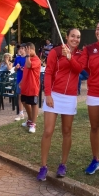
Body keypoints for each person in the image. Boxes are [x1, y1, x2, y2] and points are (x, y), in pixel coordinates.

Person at [67, 20, 99, 179]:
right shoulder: (89, 49)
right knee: (94, 128)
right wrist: (70, 57)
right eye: (97, 29)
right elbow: (79, 68)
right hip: (95, 93)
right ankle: (96, 160)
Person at [37, 28, 82, 181]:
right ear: (67, 37)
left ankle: (63, 164)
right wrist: (48, 93)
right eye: (73, 36)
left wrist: (70, 57)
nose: (75, 39)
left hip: (69, 97)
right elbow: (48, 72)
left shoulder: (80, 54)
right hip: (54, 95)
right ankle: (43, 166)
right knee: (48, 131)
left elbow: (78, 69)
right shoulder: (55, 52)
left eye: (78, 37)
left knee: (67, 131)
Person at [20, 42, 41, 133]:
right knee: (24, 102)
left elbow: (29, 65)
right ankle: (29, 119)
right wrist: (21, 81)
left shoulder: (36, 60)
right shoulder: (28, 59)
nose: (25, 51)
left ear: (31, 50)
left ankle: (33, 124)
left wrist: (27, 55)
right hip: (25, 86)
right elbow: (26, 71)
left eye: (26, 49)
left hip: (33, 87)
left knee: (33, 104)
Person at [13, 44, 26, 121]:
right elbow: (14, 69)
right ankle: (21, 113)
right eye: (20, 49)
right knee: (20, 96)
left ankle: (32, 112)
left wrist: (25, 69)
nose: (20, 50)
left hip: (27, 80)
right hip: (19, 79)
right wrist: (16, 68)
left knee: (28, 97)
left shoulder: (28, 58)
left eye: (22, 48)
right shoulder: (17, 58)